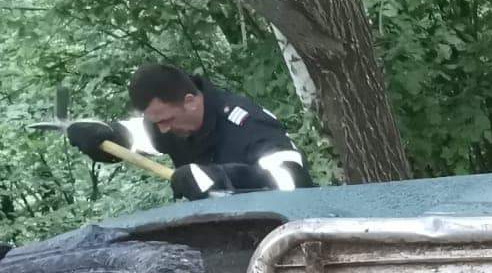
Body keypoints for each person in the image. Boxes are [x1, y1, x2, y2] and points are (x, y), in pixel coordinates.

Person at [66, 63, 312, 200]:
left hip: (287, 240)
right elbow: (137, 135)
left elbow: (292, 180)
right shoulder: (168, 124)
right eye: (157, 122)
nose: (162, 129)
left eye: (167, 120)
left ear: (190, 101)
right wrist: (104, 134)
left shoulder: (247, 124)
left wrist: (221, 177)